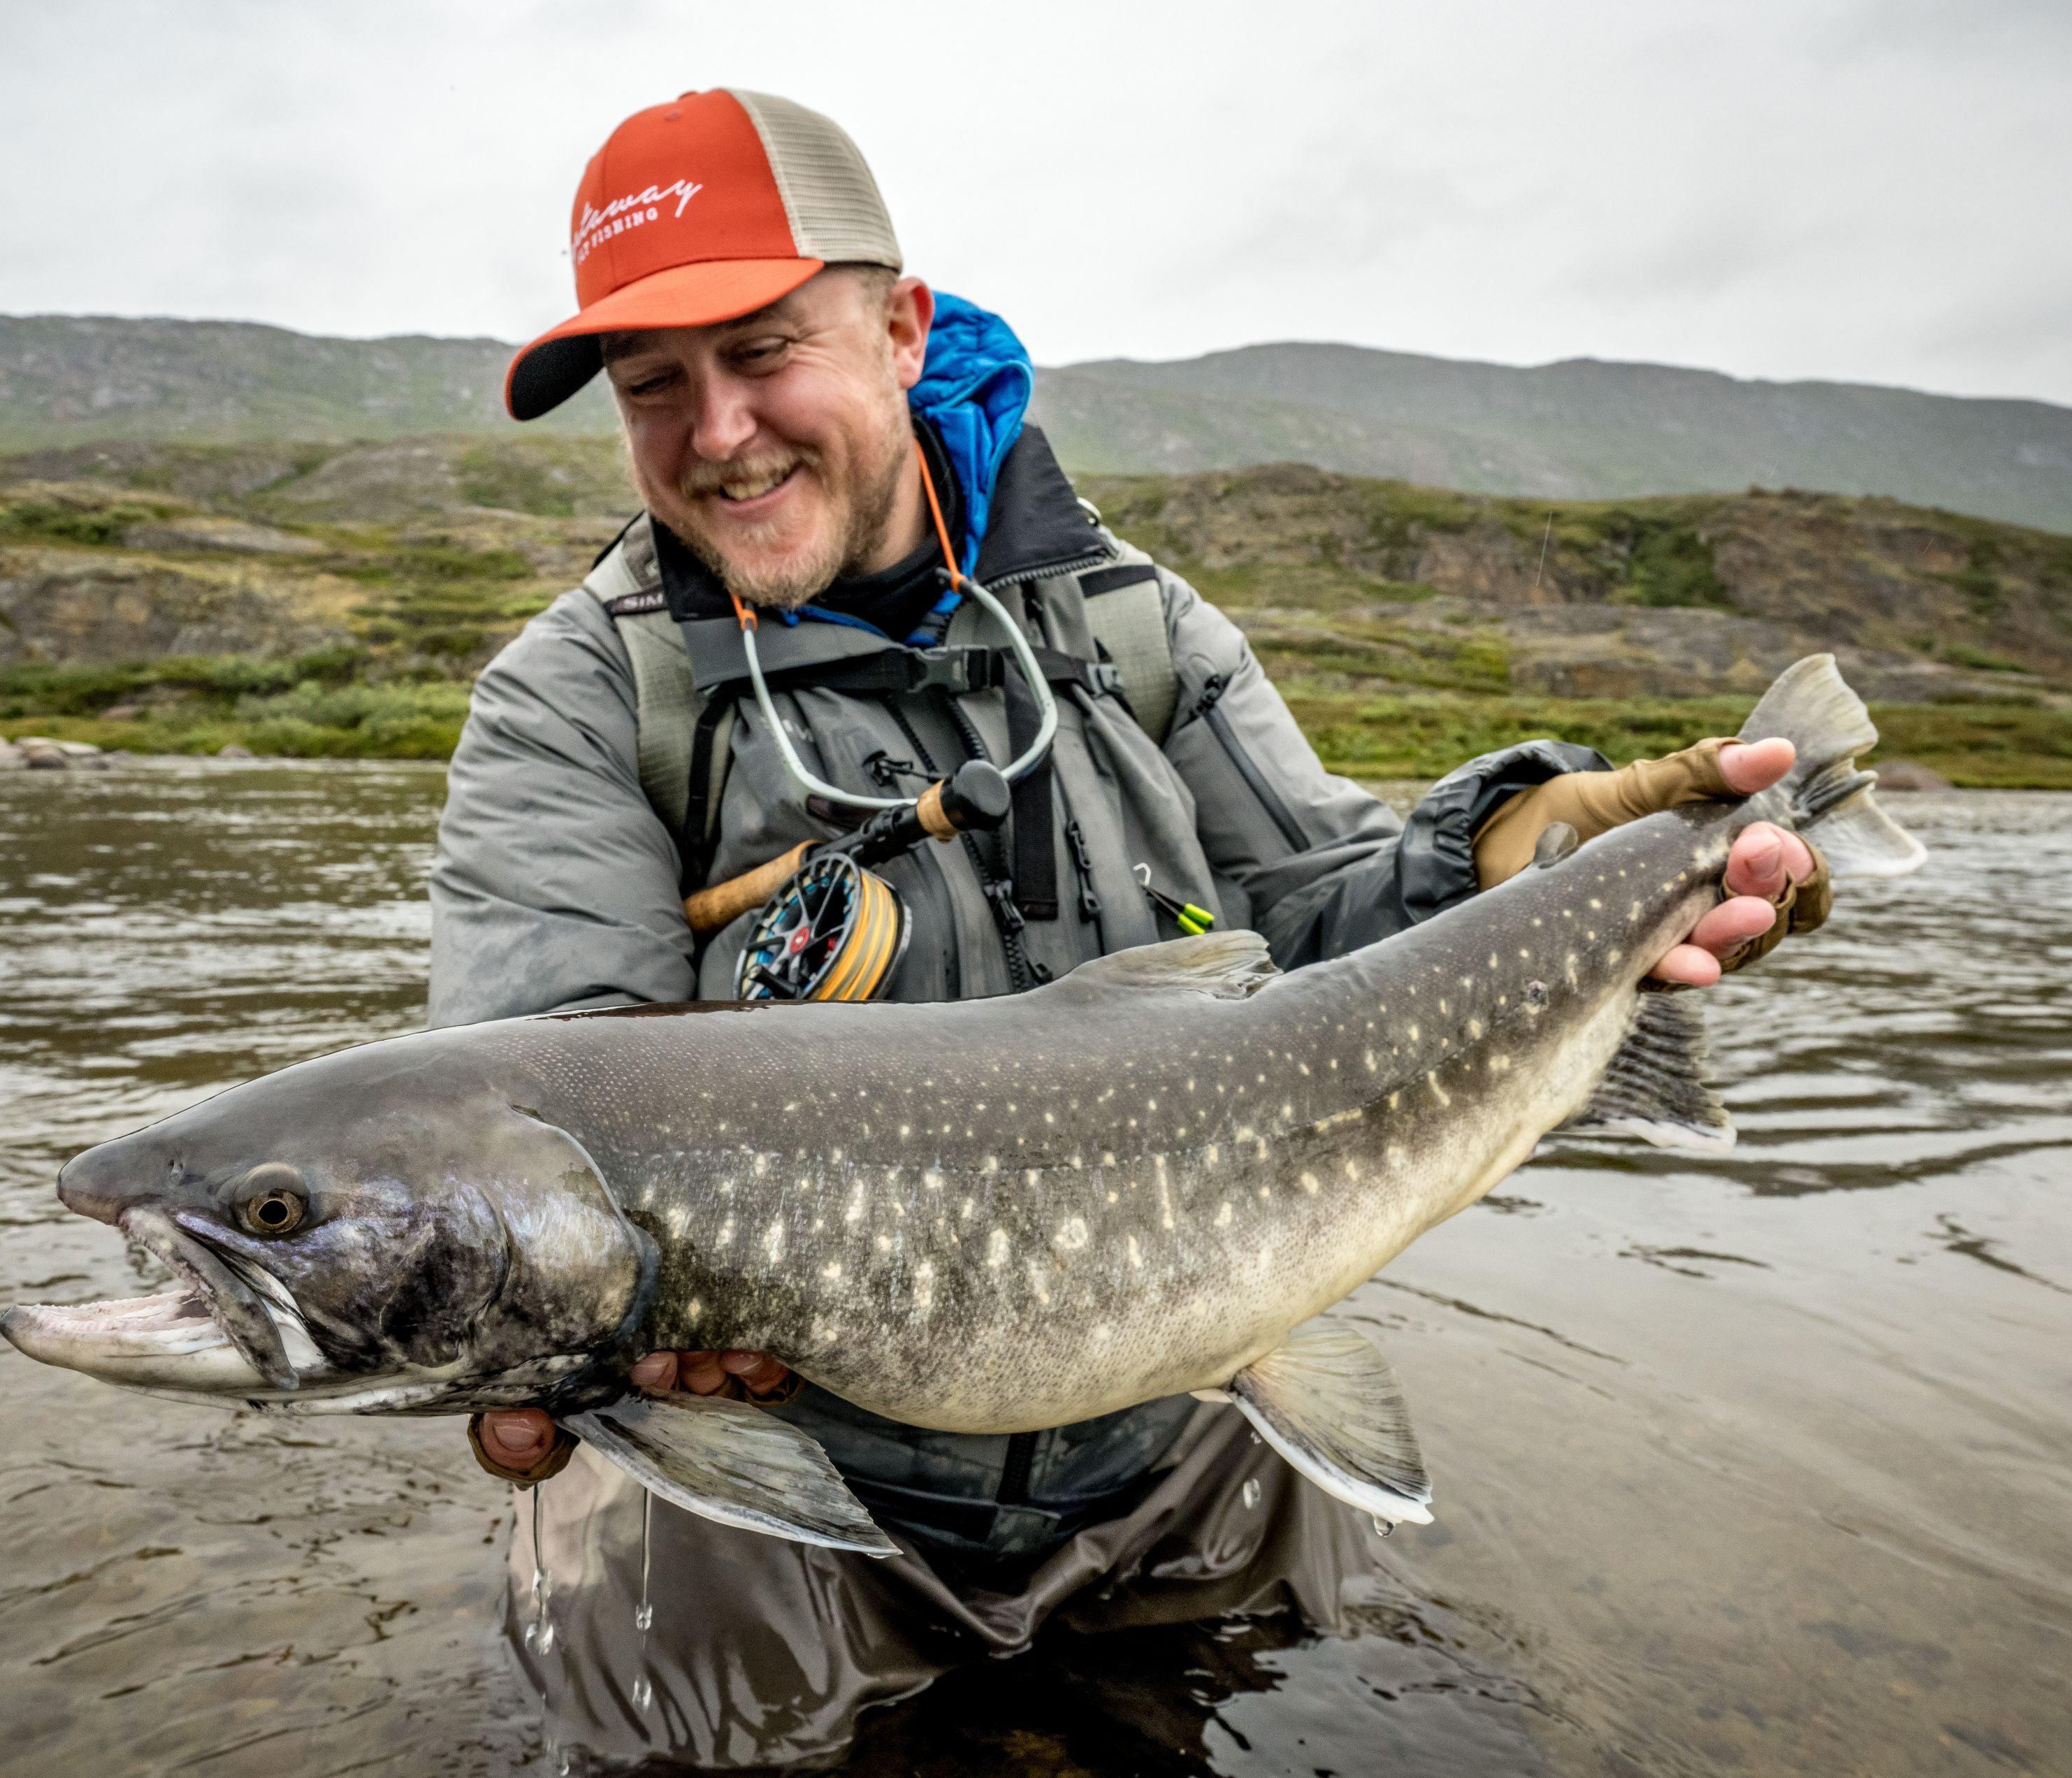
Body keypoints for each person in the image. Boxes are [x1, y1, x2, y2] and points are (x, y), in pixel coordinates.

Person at [428, 89, 1825, 1768]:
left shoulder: (1133, 626)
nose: (717, 432)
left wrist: (1526, 852)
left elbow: (1325, 929)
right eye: (655, 385)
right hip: (774, 1480)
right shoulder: (570, 704)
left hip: (1189, 1413)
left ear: (896, 326)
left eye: (763, 351)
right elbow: (544, 1104)